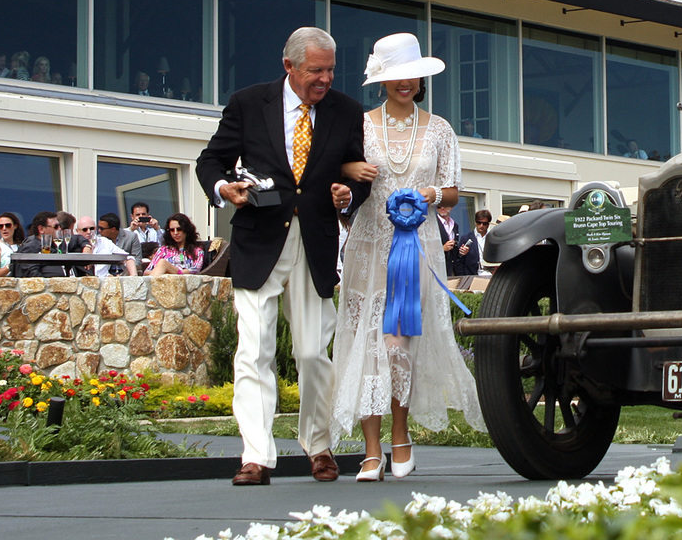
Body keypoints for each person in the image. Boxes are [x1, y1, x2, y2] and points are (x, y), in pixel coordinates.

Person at [195, 26, 369, 487]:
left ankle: (319, 444)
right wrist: (222, 188)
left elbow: (359, 174)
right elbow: (210, 160)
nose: (326, 79)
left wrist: (346, 194)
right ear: (289, 66)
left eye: (331, 70)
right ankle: (256, 456)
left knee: (314, 354)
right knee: (254, 352)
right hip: (257, 243)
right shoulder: (248, 103)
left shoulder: (348, 112)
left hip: (314, 245)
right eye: (316, 70)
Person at [331, 32, 483, 482]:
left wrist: (433, 193)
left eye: (411, 76)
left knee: (401, 342)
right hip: (368, 248)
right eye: (396, 76)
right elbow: (338, 177)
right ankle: (370, 449)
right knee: (368, 344)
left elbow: (453, 188)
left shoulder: (439, 128)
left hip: (417, 249)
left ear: (420, 79)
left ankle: (401, 436)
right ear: (382, 80)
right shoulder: (357, 126)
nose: (405, 83)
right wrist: (347, 173)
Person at [0, 212, 23, 278]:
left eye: (8, 225)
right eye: (1, 226)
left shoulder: (21, 245)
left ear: (15, 226)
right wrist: (10, 266)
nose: (4, 228)